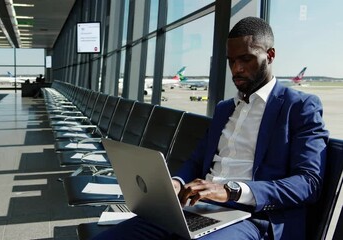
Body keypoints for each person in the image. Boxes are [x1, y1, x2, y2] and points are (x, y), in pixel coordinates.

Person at [92, 17, 329, 240]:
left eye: (245, 59)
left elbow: (308, 183)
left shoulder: (299, 106)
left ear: (270, 55)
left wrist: (231, 190)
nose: (236, 69)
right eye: (231, 61)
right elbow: (196, 161)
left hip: (252, 218)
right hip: (198, 208)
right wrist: (176, 182)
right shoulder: (225, 109)